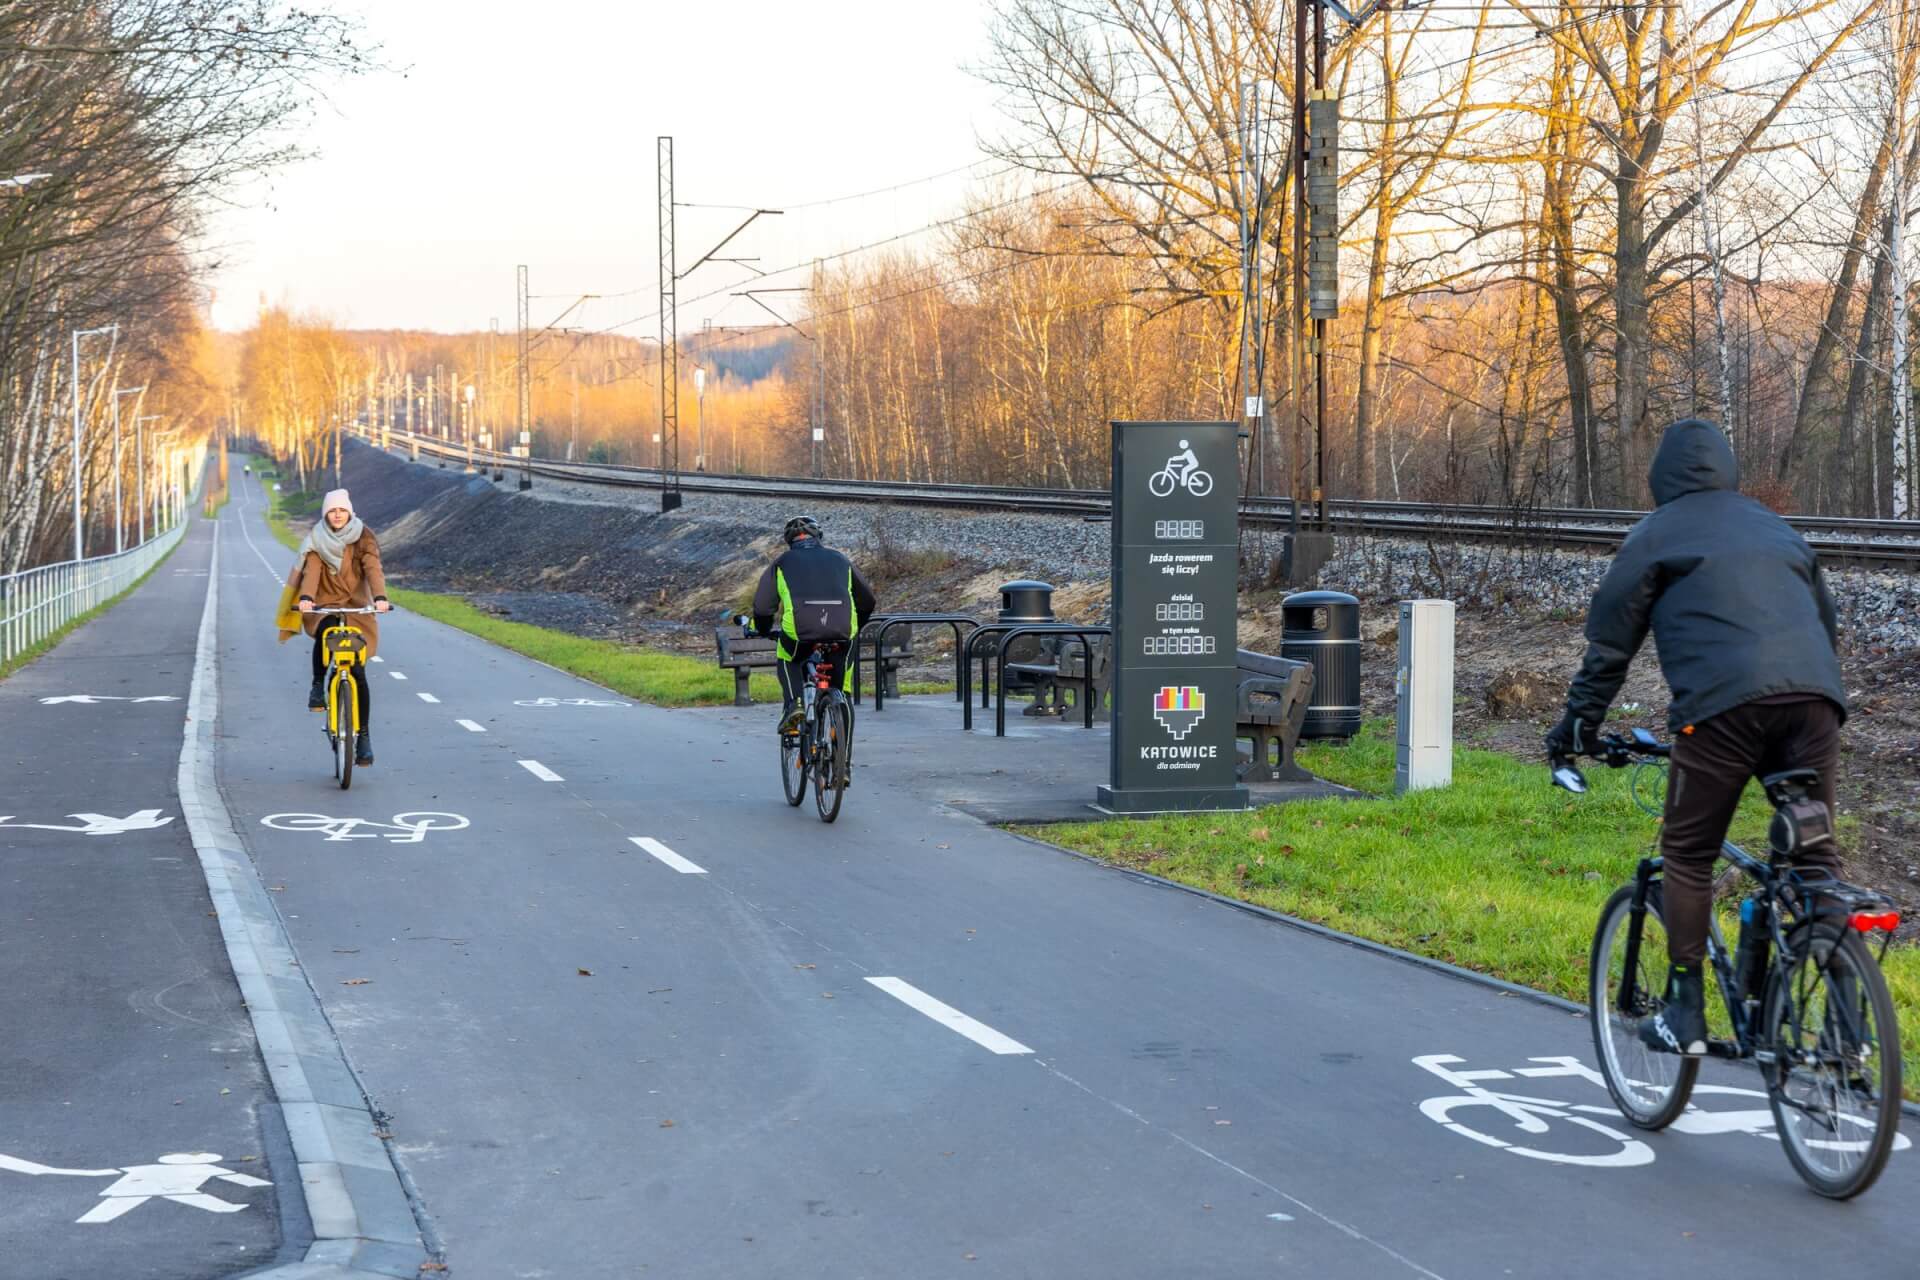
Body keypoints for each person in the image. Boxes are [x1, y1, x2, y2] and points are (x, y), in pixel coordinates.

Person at [1547, 418, 1847, 1056]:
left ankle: (1682, 1010)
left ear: (1662, 477)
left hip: (1722, 710)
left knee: (1688, 854)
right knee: (1816, 857)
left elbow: (1610, 643)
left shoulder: (1657, 532)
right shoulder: (1775, 527)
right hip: (1817, 701)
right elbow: (1827, 623)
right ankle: (1847, 1017)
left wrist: (1578, 724)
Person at [750, 515, 877, 745]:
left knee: (787, 657)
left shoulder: (781, 563)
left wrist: (763, 629)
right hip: (843, 633)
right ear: (818, 536)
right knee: (843, 693)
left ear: (790, 541)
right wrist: (854, 625)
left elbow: (762, 607)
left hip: (800, 632)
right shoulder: (841, 559)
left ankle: (794, 704)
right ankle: (844, 765)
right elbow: (867, 600)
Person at [286, 488, 390, 766]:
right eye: (332, 511)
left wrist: (380, 598)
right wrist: (307, 598)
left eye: (341, 510)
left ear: (349, 512)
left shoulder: (364, 536)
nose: (337, 515)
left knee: (357, 670)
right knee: (326, 630)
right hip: (325, 604)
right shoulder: (317, 540)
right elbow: (312, 574)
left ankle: (364, 737)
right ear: (326, 514)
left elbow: (373, 569)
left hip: (357, 606)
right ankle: (318, 685)